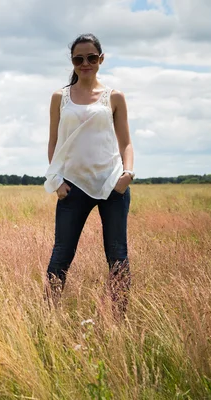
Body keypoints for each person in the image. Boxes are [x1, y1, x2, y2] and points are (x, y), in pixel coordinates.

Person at [44, 33, 135, 317]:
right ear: (72, 62)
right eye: (78, 59)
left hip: (112, 185)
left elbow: (126, 143)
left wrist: (127, 174)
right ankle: (48, 317)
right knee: (61, 256)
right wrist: (56, 181)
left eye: (91, 58)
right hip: (73, 185)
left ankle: (120, 319)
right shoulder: (60, 97)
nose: (85, 63)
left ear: (101, 60)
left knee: (118, 256)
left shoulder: (115, 97)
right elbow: (53, 143)